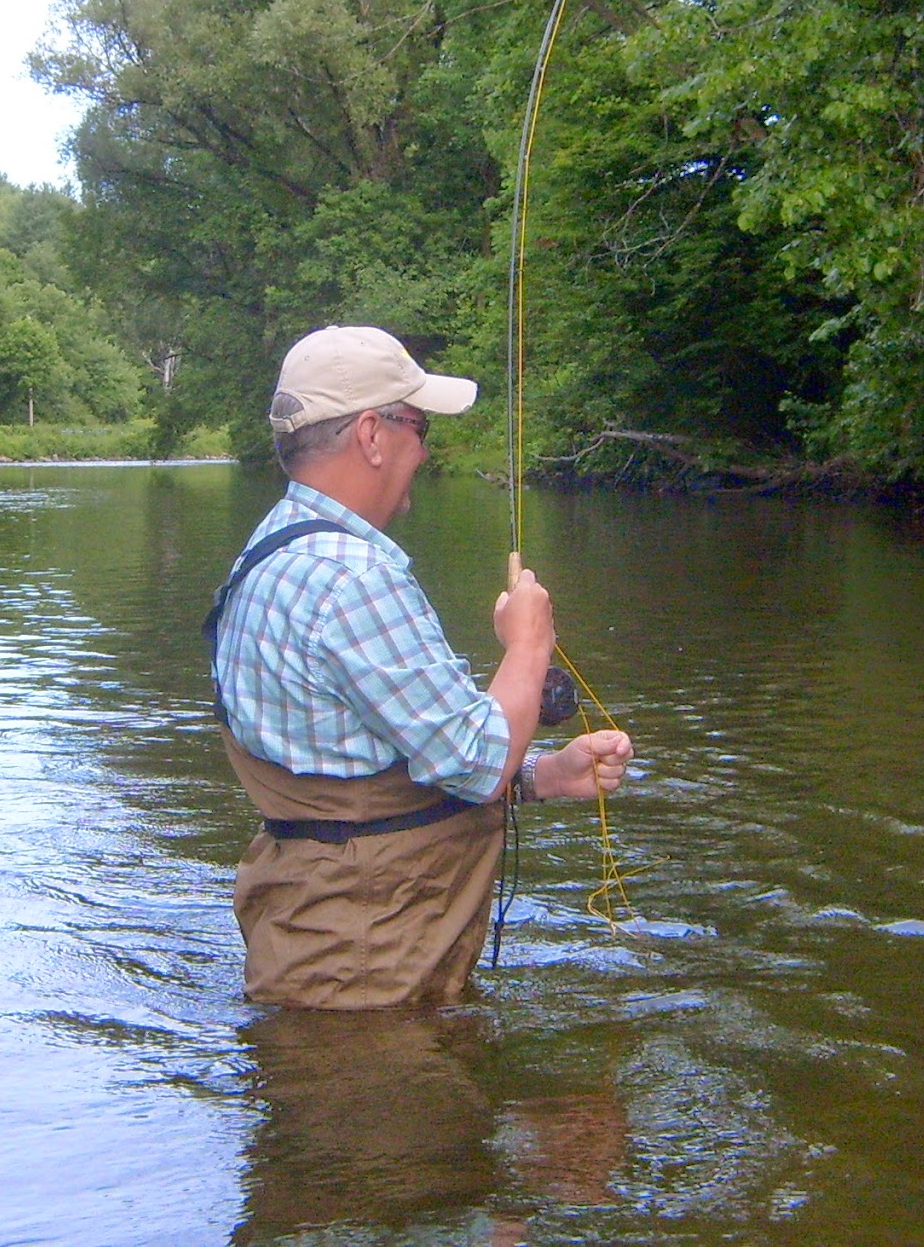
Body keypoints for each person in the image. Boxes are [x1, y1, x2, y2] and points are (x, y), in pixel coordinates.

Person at [207, 324, 631, 1010]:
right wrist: (528, 647)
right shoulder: (354, 579)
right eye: (420, 428)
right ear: (372, 435)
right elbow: (475, 760)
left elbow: (357, 758)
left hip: (318, 943)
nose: (426, 451)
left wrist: (544, 775)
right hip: (367, 970)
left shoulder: (270, 549)